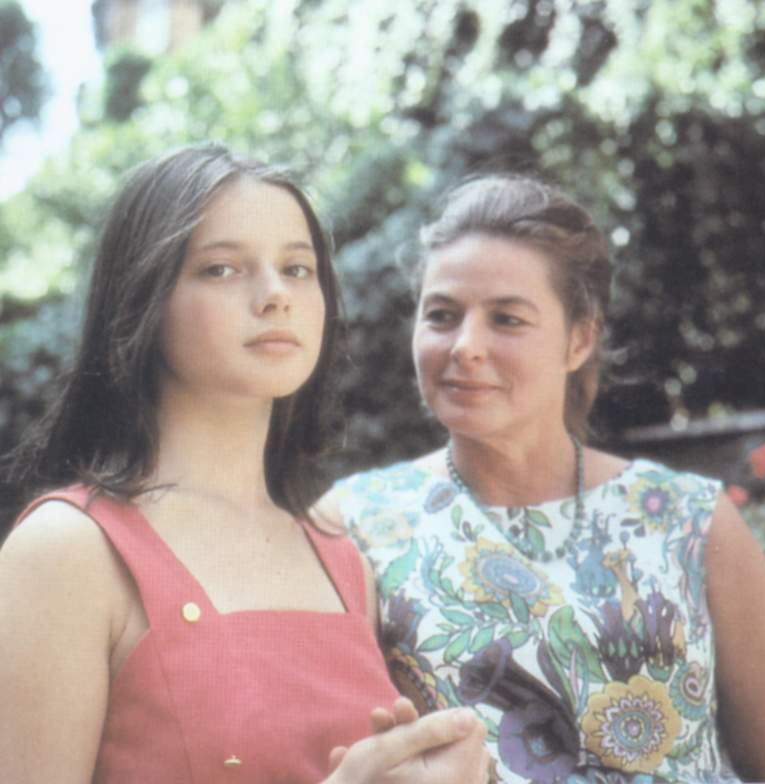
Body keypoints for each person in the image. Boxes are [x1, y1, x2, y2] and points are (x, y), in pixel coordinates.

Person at [0, 144, 489, 784]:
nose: (274, 296)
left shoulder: (345, 562)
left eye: (297, 268)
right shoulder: (67, 550)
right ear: (142, 299)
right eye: (223, 269)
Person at [317, 173, 765, 783]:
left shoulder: (691, 522)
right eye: (442, 315)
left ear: (580, 338)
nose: (465, 345)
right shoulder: (353, 525)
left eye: (507, 319)